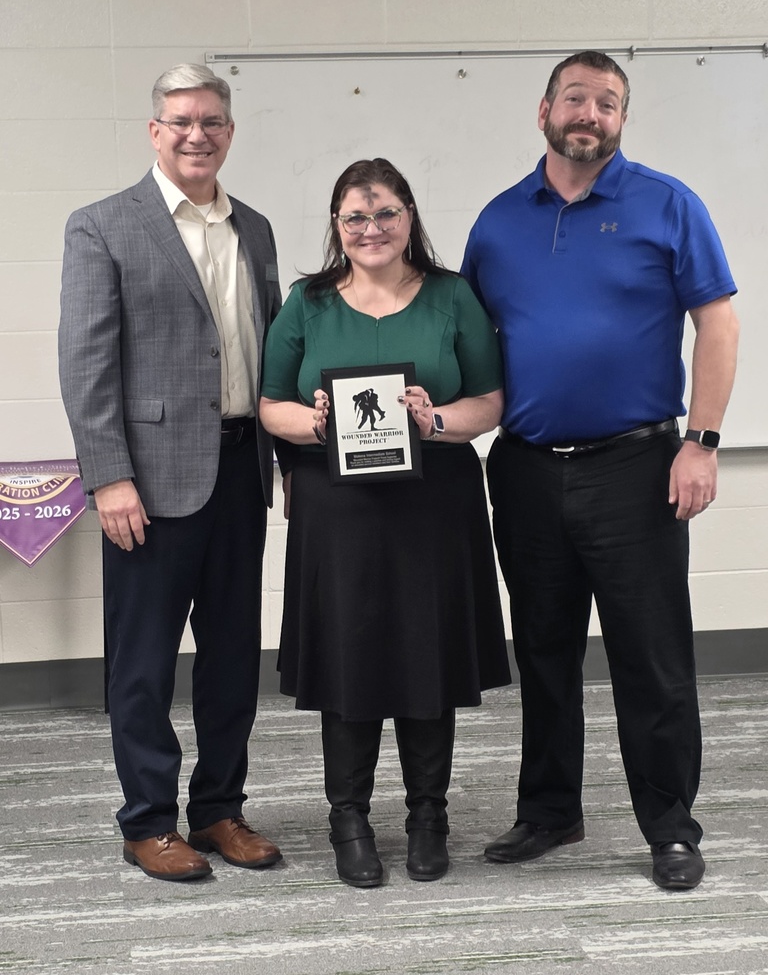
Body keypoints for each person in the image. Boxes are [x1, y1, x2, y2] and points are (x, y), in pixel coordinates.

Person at [462, 51, 739, 891]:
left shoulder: (668, 204)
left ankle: (671, 827)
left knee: (650, 657)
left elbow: (718, 328)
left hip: (639, 467)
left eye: (608, 102)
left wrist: (705, 440)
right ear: (544, 108)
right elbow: (464, 342)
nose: (590, 113)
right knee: (542, 650)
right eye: (575, 98)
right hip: (526, 470)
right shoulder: (499, 221)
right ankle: (551, 811)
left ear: (622, 119)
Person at [259, 158, 512, 888]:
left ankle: (428, 816)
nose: (371, 229)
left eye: (386, 214)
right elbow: (271, 402)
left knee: (426, 658)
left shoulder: (452, 296)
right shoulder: (308, 302)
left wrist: (435, 420)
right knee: (349, 660)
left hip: (435, 506)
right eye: (355, 218)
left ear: (410, 218)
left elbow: (491, 401)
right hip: (337, 514)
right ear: (338, 226)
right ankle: (350, 819)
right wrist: (310, 424)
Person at [58, 64, 283, 881]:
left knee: (231, 657)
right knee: (144, 663)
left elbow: (269, 353)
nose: (198, 134)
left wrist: (286, 456)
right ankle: (148, 819)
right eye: (182, 121)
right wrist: (108, 476)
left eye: (213, 121)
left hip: (239, 471)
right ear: (155, 131)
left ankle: (219, 808)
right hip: (147, 485)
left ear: (229, 131)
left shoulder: (253, 228)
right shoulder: (103, 226)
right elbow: (85, 365)